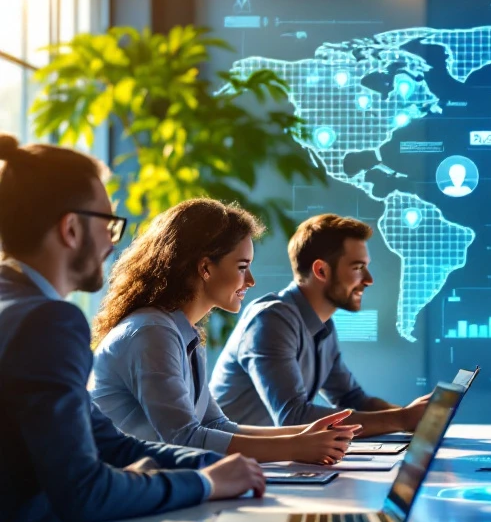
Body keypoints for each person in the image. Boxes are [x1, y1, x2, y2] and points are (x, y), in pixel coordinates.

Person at [0, 134, 268, 522]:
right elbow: (86, 492)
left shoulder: (19, 310)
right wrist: (205, 486)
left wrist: (213, 473)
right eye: (108, 223)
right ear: (71, 228)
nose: (112, 241)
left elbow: (112, 443)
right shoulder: (46, 323)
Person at [90, 199, 359, 465]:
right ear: (205, 268)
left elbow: (215, 424)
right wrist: (294, 447)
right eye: (242, 267)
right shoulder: (152, 333)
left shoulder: (180, 331)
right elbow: (183, 439)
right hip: (127, 494)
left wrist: (304, 435)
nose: (251, 281)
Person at [211, 213, 429, 434]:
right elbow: (293, 418)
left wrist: (414, 417)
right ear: (321, 271)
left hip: (272, 462)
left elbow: (351, 398)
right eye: (357, 267)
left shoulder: (323, 326)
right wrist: (402, 419)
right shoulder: (270, 320)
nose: (368, 279)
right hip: (228, 463)